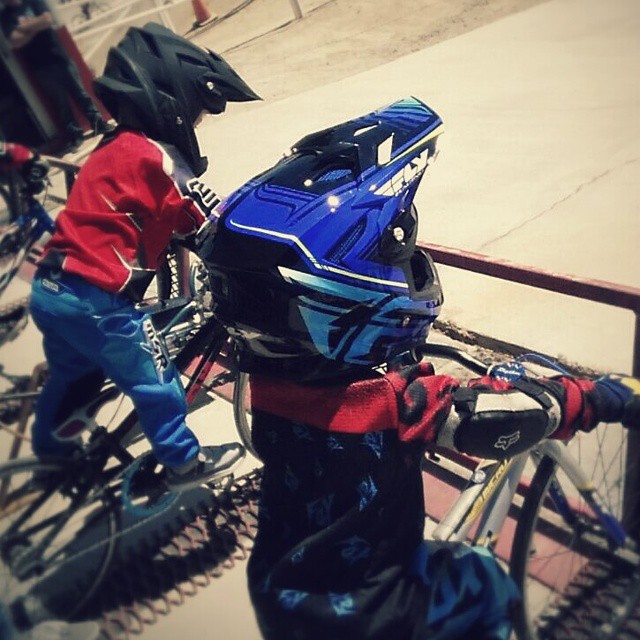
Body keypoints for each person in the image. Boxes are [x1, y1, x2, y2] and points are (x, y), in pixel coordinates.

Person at [196, 97, 640, 639]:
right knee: (485, 580)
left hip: (281, 595)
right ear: (347, 297)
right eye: (397, 253)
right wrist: (599, 397)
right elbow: (494, 414)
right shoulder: (391, 402)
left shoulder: (266, 381)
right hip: (376, 617)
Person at [29, 23, 260, 491]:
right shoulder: (158, 157)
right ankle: (183, 462)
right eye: (198, 112)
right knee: (156, 378)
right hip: (98, 301)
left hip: (51, 288)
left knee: (73, 377)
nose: (197, 123)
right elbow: (206, 219)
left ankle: (52, 455)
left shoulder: (111, 148)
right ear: (171, 102)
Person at [0, 0, 114, 154]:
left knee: (79, 91)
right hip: (39, 66)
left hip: (59, 56)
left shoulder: (33, 2)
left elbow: (47, 19)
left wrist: (24, 27)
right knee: (60, 103)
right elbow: (15, 41)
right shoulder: (5, 16)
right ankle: (75, 136)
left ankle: (98, 123)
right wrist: (36, 26)